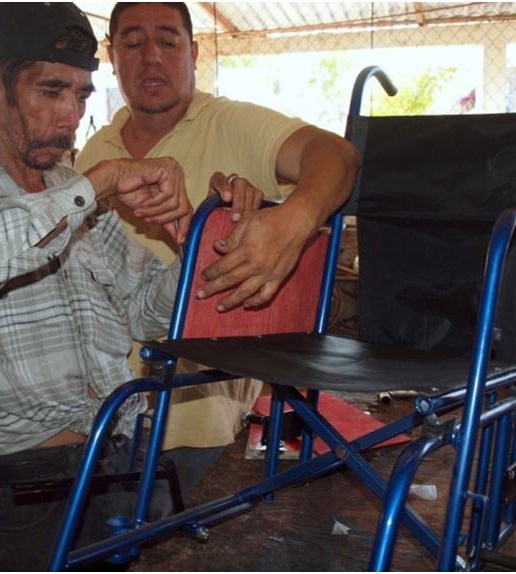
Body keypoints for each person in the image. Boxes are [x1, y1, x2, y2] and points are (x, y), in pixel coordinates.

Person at [0, 3, 254, 571]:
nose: (69, 116)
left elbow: (148, 311)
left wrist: (198, 240)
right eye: (51, 90)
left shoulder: (76, 194)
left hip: (125, 462)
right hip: (32, 494)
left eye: (82, 96)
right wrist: (95, 184)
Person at [75, 2, 360, 493]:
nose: (151, 58)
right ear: (112, 54)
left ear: (194, 52)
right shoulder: (95, 154)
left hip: (202, 421)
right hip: (105, 415)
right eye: (133, 42)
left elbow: (336, 154)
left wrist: (291, 221)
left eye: (168, 40)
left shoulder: (233, 123)